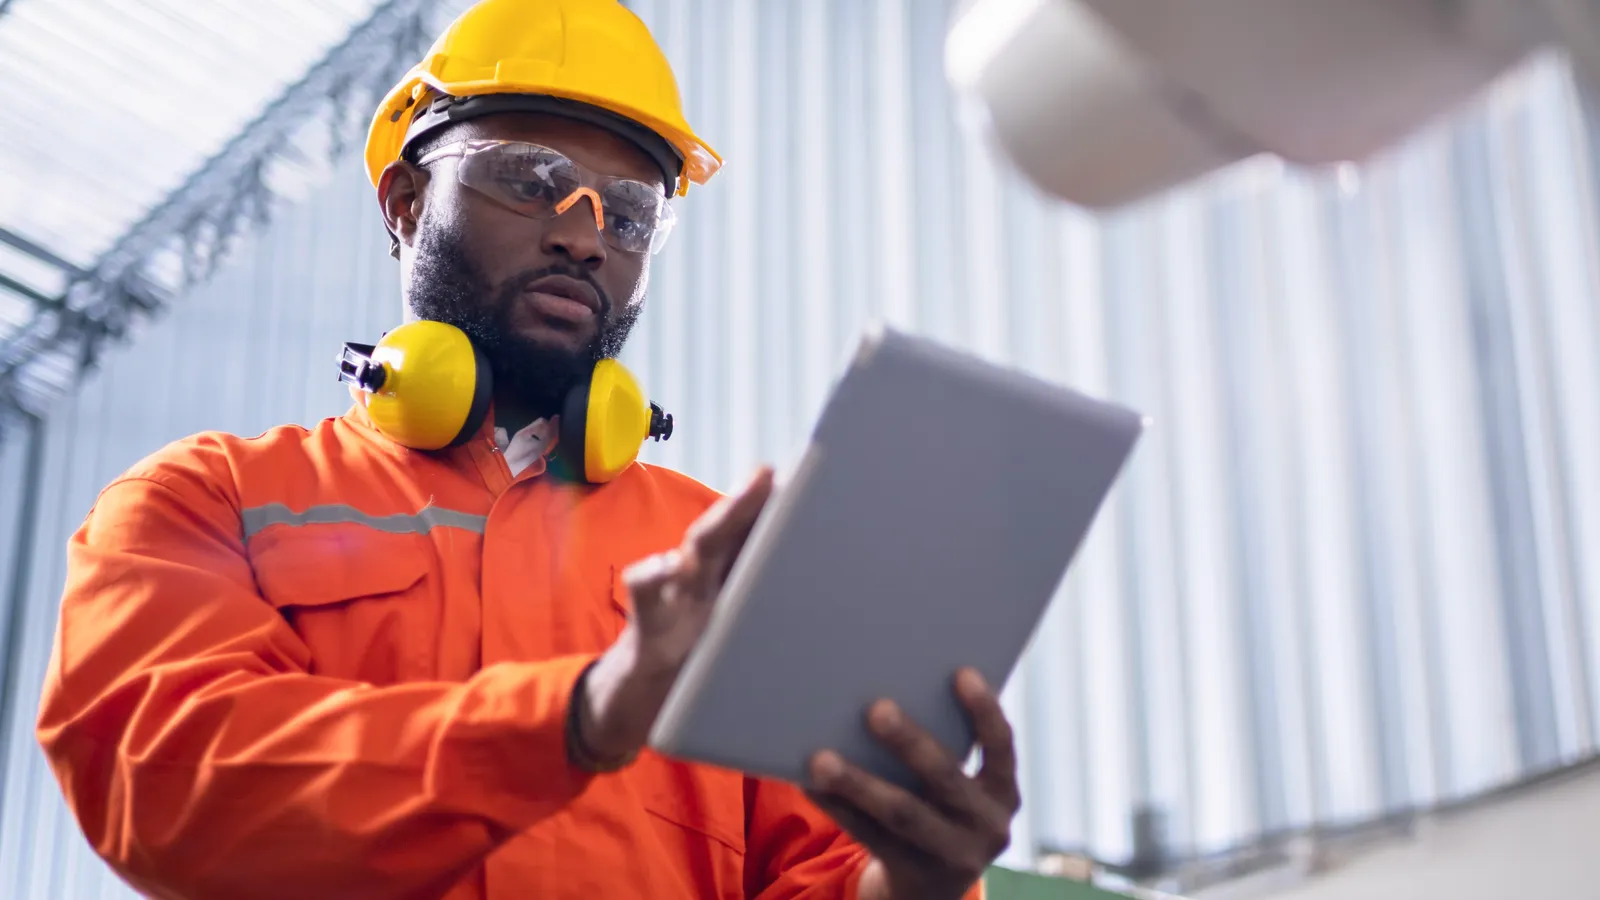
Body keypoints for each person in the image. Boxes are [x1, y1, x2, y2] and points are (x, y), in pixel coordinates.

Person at [35, 1, 1020, 898]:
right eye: (531, 180)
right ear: (406, 204)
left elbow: (820, 868)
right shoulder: (209, 500)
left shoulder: (724, 558)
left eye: (628, 214)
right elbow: (163, 779)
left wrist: (907, 882)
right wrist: (575, 718)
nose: (585, 237)